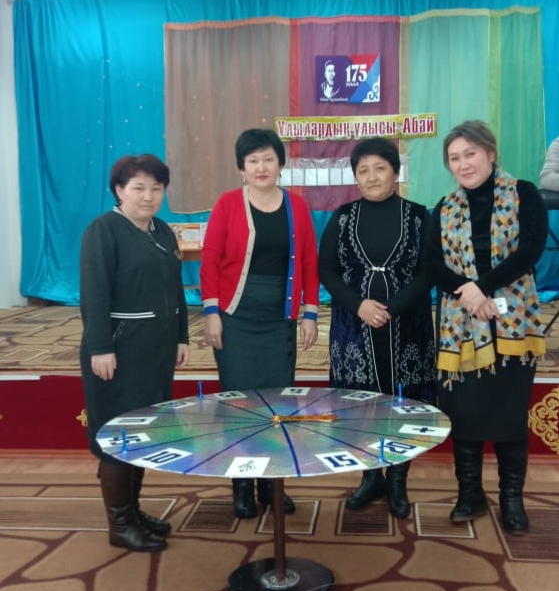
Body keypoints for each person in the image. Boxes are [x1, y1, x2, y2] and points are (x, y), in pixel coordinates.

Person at [424, 120, 547, 535]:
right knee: (465, 413)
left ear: (491, 154)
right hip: (461, 325)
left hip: (513, 324)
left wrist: (482, 287)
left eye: (471, 153)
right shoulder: (443, 208)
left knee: (510, 414)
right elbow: (432, 266)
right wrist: (470, 295)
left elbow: (529, 251)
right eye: (454, 158)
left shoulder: (523, 193)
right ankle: (470, 495)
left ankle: (512, 499)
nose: (464, 164)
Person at [200, 128, 320, 519]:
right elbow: (210, 259)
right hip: (236, 319)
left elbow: (309, 262)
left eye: (268, 158)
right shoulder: (227, 204)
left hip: (279, 320)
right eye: (253, 160)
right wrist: (212, 312)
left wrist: (310, 313)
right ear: (242, 168)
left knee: (278, 405)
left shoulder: (297, 206)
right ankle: (241, 485)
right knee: (238, 404)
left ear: (280, 164)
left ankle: (271, 484)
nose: (261, 167)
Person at [318, 137, 436, 518]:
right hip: (354, 327)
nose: (371, 177)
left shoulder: (419, 216)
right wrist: (360, 306)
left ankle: (398, 479)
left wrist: (391, 309)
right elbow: (326, 269)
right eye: (363, 170)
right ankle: (370, 477)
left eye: (380, 168)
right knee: (358, 405)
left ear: (395, 172)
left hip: (408, 325)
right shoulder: (343, 217)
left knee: (406, 403)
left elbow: (428, 271)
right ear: (355, 177)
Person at [80, 154, 190, 552]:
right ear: (119, 190)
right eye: (138, 188)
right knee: (117, 434)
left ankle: (133, 510)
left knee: (142, 431)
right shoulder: (103, 231)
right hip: (117, 351)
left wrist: (181, 337)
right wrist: (101, 347)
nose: (148, 196)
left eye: (156, 188)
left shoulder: (162, 231)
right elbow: (94, 294)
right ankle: (120, 524)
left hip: (155, 351)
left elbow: (176, 290)